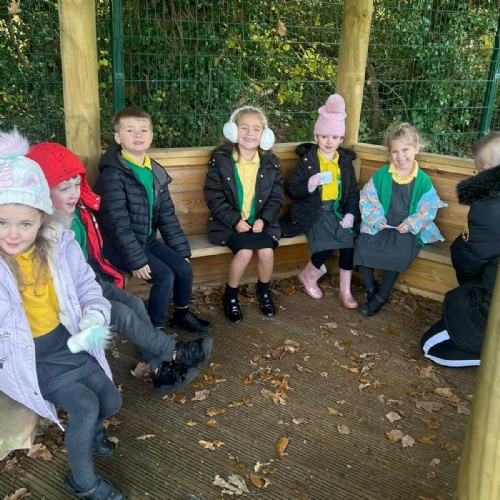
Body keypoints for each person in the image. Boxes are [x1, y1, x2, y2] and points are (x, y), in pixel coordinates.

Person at [27, 142, 213, 396]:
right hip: (64, 297)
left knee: (134, 304)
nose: (73, 193)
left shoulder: (75, 212)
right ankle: (174, 351)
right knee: (123, 314)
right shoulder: (41, 228)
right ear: (42, 189)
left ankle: (160, 371)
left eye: (76, 184)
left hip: (87, 280)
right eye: (64, 187)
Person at [0, 129, 124, 499]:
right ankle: (83, 483)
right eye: (2, 222)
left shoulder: (59, 246)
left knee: (111, 401)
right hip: (27, 354)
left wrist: (95, 314)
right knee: (85, 406)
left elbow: (87, 286)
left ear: (42, 219)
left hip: (64, 341)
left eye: (25, 223)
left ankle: (92, 434)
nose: (12, 234)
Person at [93, 107, 212, 335]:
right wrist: (136, 261)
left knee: (183, 268)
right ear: (118, 137)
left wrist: (180, 250)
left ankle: (181, 315)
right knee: (164, 276)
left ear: (151, 136)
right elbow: (117, 225)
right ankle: (154, 330)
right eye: (130, 130)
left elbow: (167, 216)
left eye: (143, 130)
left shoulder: (154, 171)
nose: (138, 135)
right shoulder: (112, 175)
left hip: (146, 240)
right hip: (119, 248)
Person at [421, 131, 500, 366]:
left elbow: (467, 262)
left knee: (430, 346)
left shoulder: (487, 208)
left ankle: (491, 359)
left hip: (493, 311)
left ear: (487, 170)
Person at [353, 122, 447, 317]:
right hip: (381, 225)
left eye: (405, 150)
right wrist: (376, 219)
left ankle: (381, 297)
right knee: (363, 248)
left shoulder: (422, 180)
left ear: (416, 149)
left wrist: (412, 224)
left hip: (405, 229)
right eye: (395, 151)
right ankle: (371, 291)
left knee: (397, 255)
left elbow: (429, 207)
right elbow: (367, 198)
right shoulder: (382, 175)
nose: (400, 156)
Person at [204, 106, 284, 324]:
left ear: (264, 135)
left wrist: (264, 219)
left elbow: (276, 197)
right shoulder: (221, 161)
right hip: (228, 223)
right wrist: (235, 221)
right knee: (245, 253)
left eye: (256, 129)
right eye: (244, 128)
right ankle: (230, 296)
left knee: (266, 252)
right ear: (232, 131)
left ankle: (263, 293)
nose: (250, 133)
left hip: (261, 222)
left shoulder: (270, 163)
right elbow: (214, 196)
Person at [280, 94, 360, 307]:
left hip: (337, 210)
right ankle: (308, 276)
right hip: (313, 212)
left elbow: (352, 192)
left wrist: (350, 213)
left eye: (334, 137)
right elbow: (292, 190)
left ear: (341, 139)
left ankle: (345, 291)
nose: (329, 142)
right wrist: (309, 185)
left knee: (347, 243)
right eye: (324, 136)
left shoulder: (344, 163)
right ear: (316, 137)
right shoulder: (307, 161)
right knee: (325, 245)